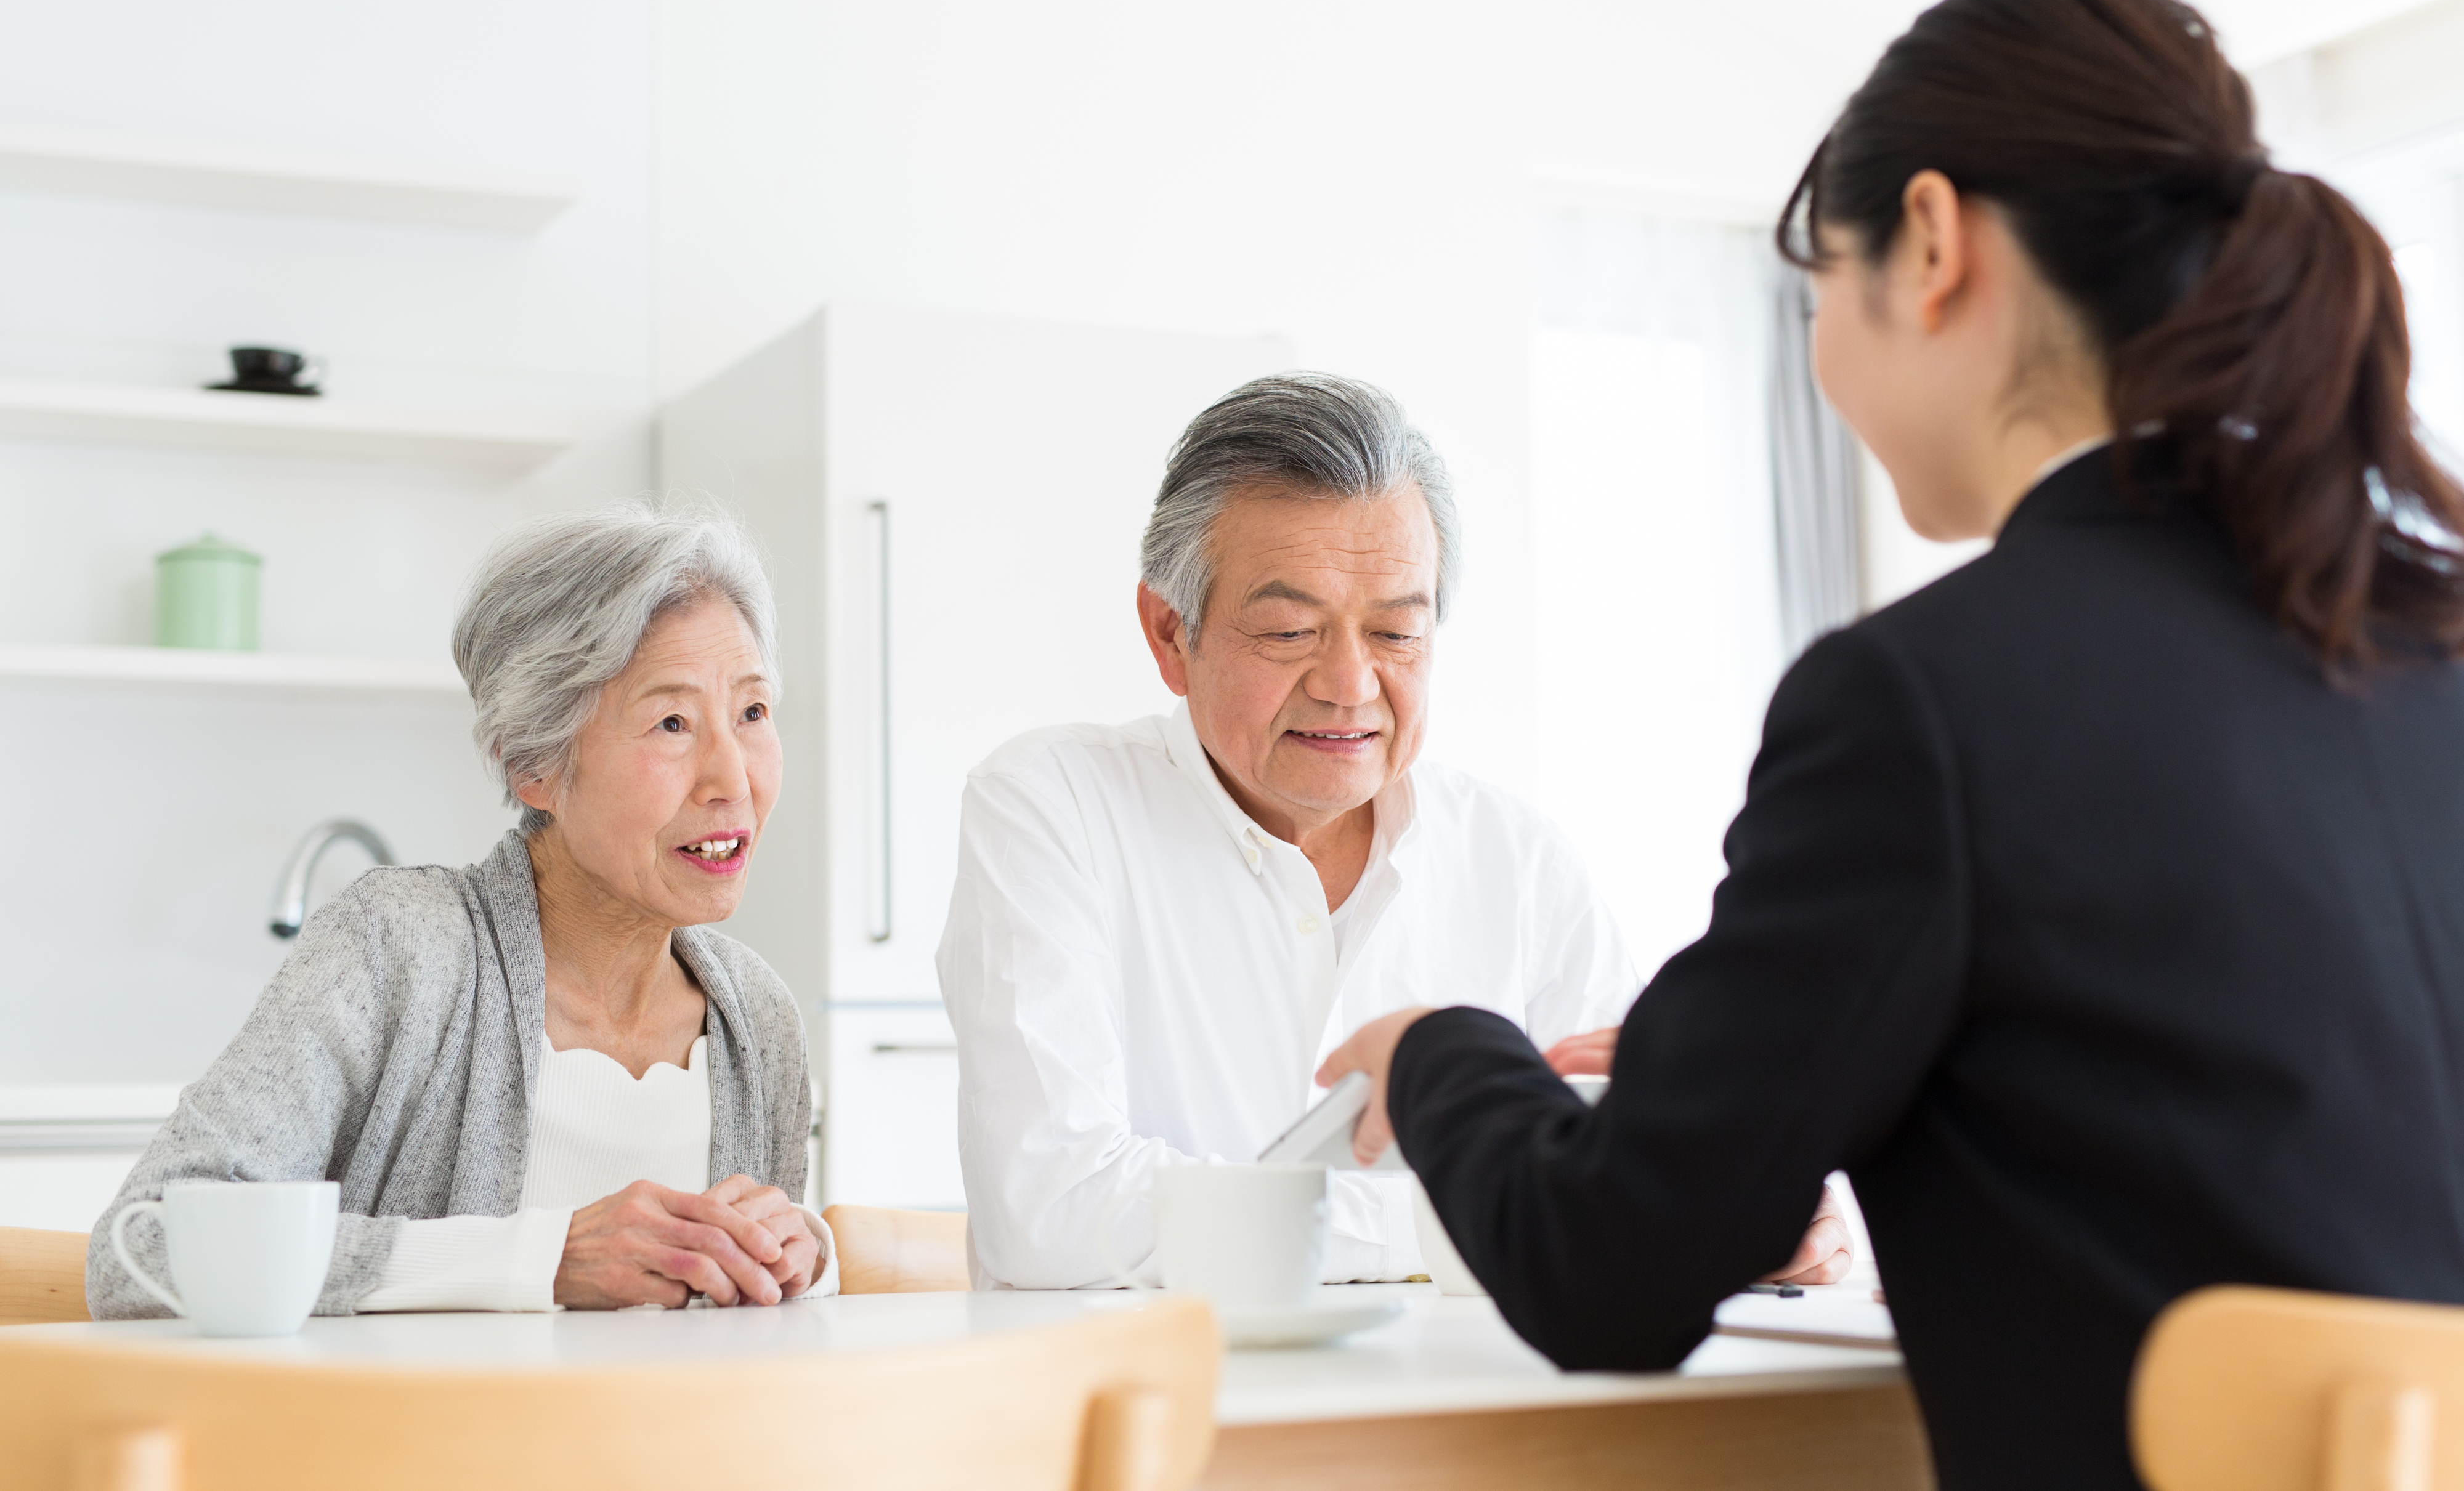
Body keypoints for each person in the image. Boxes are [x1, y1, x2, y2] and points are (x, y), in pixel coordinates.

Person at [1321, 0, 2464, 1491]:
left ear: (1928, 242)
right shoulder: (2421, 653)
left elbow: (1612, 1266)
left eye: (1815, 289)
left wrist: (1433, 1052)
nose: (1820, 355)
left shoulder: (1922, 705)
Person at [937, 374, 1851, 1290]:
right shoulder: (1051, 806)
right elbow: (1052, 1213)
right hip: (1156, 1416)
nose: (1349, 683)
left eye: (1397, 633)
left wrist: (1764, 1207)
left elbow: (1652, 1164)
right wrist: (1500, 1208)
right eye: (1291, 631)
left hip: (1472, 1417)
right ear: (1171, 634)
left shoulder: (1517, 860)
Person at [89, 503, 835, 1317]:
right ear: (532, 765)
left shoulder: (756, 1019)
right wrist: (541, 1260)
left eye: (754, 713)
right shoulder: (399, 948)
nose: (734, 778)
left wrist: (801, 1258)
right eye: (672, 723)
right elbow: (144, 1246)